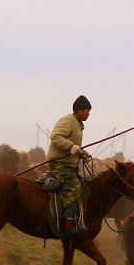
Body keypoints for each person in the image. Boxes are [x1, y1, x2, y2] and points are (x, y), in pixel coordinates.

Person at [47, 95, 92, 239]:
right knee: (73, 187)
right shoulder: (67, 120)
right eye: (86, 110)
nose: (88, 113)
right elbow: (56, 137)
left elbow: (73, 147)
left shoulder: (78, 124)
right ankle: (68, 224)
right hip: (59, 163)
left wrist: (81, 153)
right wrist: (72, 147)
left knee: (83, 186)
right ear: (78, 110)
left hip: (69, 164)